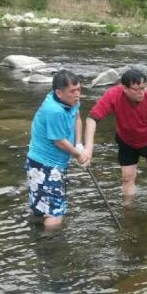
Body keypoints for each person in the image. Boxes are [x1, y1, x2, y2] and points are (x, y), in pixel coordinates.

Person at [84, 69, 147, 201]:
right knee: (127, 178)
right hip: (126, 141)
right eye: (136, 89)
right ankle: (128, 210)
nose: (141, 92)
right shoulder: (113, 95)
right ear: (124, 88)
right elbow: (91, 119)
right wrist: (88, 149)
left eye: (143, 87)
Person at [26, 70, 90, 229]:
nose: (77, 95)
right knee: (55, 211)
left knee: (44, 207)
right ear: (59, 92)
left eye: (79, 90)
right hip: (44, 165)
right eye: (72, 91)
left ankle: (38, 237)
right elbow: (59, 141)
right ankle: (51, 246)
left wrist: (79, 144)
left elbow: (77, 118)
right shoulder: (54, 110)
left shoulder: (72, 102)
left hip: (56, 163)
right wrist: (78, 155)